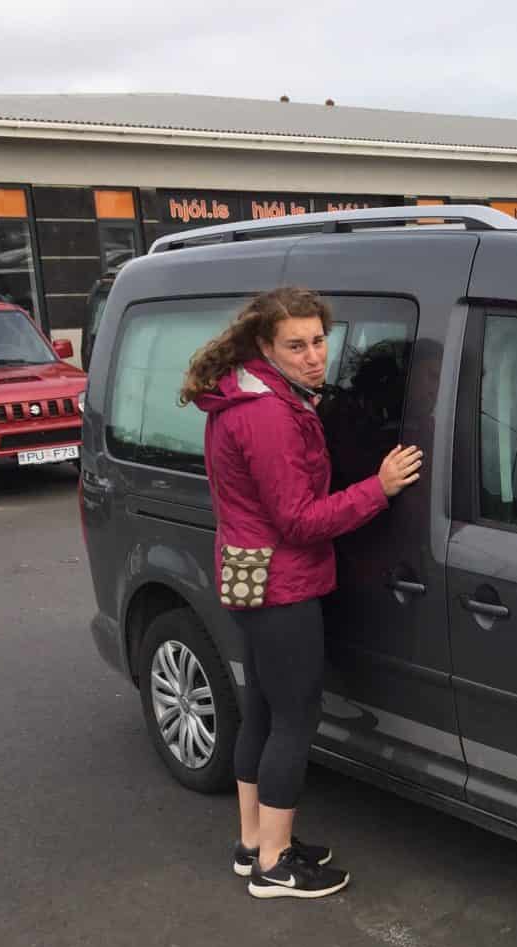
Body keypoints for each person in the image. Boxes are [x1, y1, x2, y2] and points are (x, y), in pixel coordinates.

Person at [179, 287, 423, 899]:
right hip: (280, 583)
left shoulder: (251, 394)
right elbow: (300, 520)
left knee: (262, 709)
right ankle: (276, 865)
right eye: (297, 345)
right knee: (295, 718)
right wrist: (380, 487)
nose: (314, 356)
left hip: (251, 572)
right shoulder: (267, 415)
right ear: (265, 346)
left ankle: (254, 843)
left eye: (319, 341)